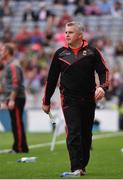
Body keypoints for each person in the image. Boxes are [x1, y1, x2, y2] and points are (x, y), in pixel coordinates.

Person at [42, 21, 110, 177]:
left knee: (86, 134)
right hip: (69, 100)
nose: (67, 35)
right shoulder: (59, 54)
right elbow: (51, 79)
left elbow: (104, 72)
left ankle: (82, 166)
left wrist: (102, 87)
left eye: (70, 32)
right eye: (66, 32)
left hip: (88, 99)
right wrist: (46, 101)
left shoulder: (93, 52)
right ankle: (76, 168)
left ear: (80, 35)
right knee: (73, 132)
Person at [0, 43, 29, 153]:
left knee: (17, 123)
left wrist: (12, 99)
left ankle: (20, 147)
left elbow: (16, 83)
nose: (1, 52)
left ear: (7, 52)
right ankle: (18, 146)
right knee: (15, 122)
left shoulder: (13, 65)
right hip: (14, 97)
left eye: (2, 50)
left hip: (16, 98)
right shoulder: (9, 64)